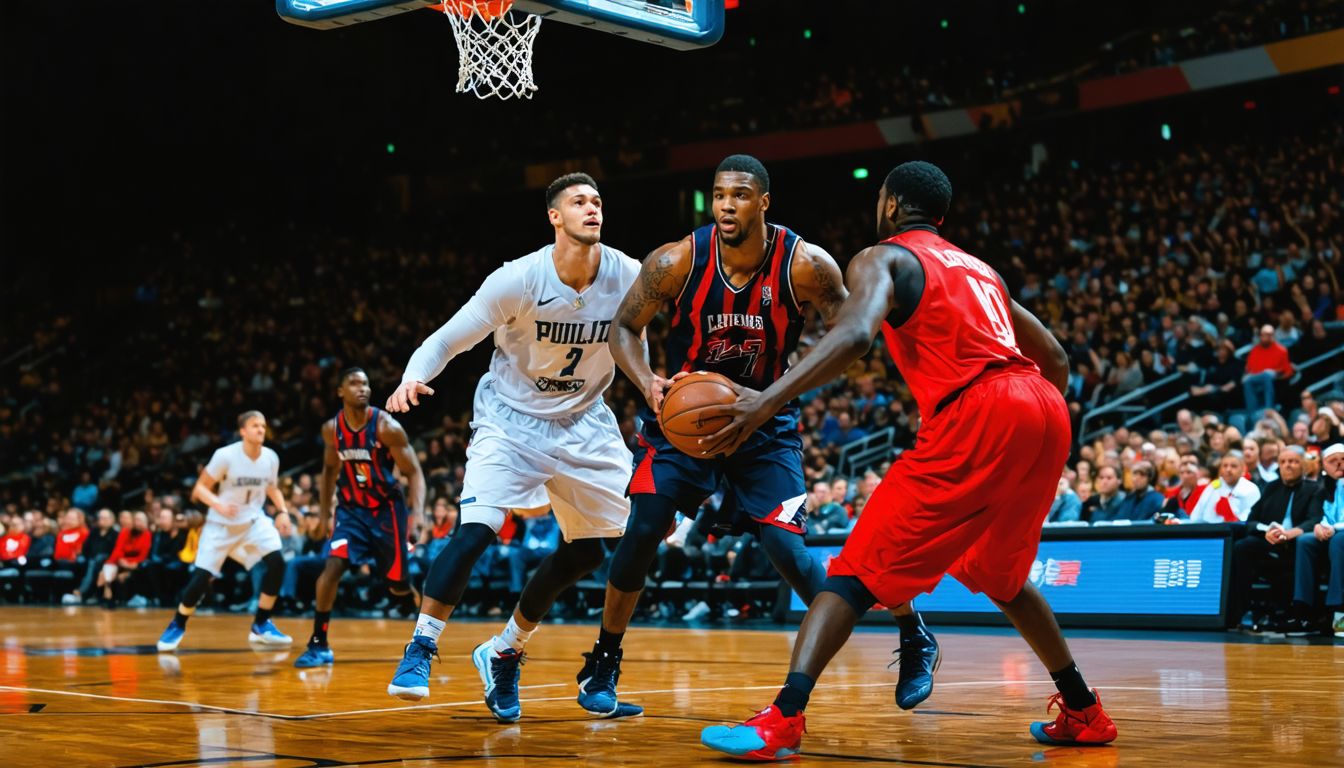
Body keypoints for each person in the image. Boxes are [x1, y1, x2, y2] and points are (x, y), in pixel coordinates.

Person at [696, 161, 1116, 759]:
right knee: (1002, 577)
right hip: (1044, 408)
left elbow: (854, 336)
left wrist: (764, 403)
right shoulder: (981, 269)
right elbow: (1054, 357)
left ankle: (782, 719)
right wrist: (1024, 415)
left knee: (852, 573)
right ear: (939, 214)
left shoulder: (883, 258)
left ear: (891, 204)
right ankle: (1083, 710)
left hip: (979, 409)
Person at [596, 155, 938, 719]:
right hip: (689, 421)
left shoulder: (806, 265)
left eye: (739, 195)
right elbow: (624, 328)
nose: (726, 205)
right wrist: (648, 384)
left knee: (789, 553)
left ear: (763, 202)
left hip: (766, 423)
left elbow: (850, 340)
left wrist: (777, 393)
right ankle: (605, 660)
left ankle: (911, 629)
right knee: (645, 526)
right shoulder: (676, 260)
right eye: (718, 194)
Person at [383, 173, 641, 724]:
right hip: (511, 419)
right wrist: (412, 376)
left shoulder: (628, 274)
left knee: (596, 549)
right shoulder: (518, 279)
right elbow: (448, 338)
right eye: (579, 201)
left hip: (585, 420)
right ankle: (421, 647)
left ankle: (509, 651)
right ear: (554, 216)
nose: (592, 208)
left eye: (597, 201)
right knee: (478, 528)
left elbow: (675, 310)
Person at [293, 368, 426, 668]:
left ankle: (415, 618)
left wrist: (418, 513)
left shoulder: (386, 427)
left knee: (397, 584)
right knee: (332, 567)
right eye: (354, 383)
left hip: (386, 511)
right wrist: (325, 514)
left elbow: (414, 472)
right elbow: (329, 471)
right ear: (340, 391)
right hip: (351, 511)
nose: (362, 388)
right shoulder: (332, 429)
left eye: (365, 383)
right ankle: (318, 643)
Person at [156, 411, 294, 651]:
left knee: (277, 563)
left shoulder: (271, 457)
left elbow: (272, 488)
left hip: (253, 522)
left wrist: (282, 511)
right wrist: (218, 504)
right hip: (220, 525)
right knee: (202, 577)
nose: (261, 429)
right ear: (243, 431)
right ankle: (178, 623)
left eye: (263, 425)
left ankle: (261, 623)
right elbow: (199, 489)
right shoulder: (225, 455)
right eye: (255, 425)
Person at [1288, 443, 1344, 637]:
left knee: (1338, 541)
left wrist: (1332, 528)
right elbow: (1318, 517)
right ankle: (1303, 613)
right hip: (1333, 533)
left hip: (1339, 535)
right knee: (1305, 541)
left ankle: (1338, 612)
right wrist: (1319, 526)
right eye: (1333, 461)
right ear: (1324, 465)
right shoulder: (1322, 489)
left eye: (1343, 459)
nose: (1339, 464)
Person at [1187, 452, 1261, 524]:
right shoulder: (1213, 486)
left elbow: (1251, 520)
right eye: (1225, 466)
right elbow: (1196, 516)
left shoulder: (1251, 489)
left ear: (1243, 469)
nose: (1228, 469)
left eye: (1233, 466)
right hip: (1210, 529)